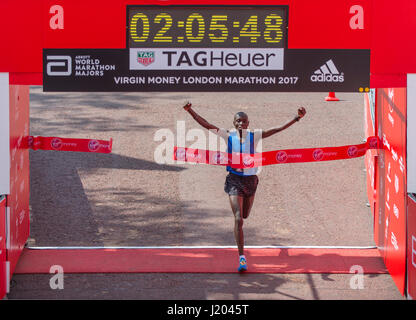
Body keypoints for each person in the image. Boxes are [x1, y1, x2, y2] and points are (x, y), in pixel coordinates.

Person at [183, 102, 306, 272]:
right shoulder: (228, 135)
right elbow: (206, 125)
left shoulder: (254, 136)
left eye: (244, 121)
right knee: (238, 218)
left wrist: (296, 118)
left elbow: (277, 129)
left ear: (248, 123)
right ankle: (241, 258)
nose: (241, 123)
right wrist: (190, 111)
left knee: (246, 215)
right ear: (234, 123)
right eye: (238, 121)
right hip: (234, 180)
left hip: (250, 181)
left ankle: (242, 240)